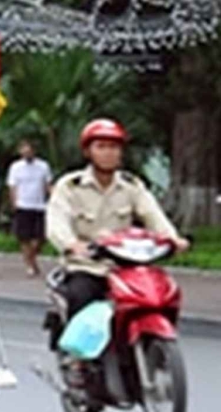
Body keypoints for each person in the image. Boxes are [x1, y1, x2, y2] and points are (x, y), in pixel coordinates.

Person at [46, 119, 188, 327]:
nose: (108, 153)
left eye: (113, 147)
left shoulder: (132, 186)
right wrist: (72, 245)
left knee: (164, 295)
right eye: (101, 147)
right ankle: (77, 358)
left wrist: (173, 240)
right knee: (80, 297)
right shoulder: (70, 186)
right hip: (89, 267)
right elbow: (56, 222)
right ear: (88, 151)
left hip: (127, 267)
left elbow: (153, 215)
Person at [6, 140, 53, 277]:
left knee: (40, 238)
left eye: (29, 150)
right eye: (24, 150)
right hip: (23, 205)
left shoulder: (43, 166)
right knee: (24, 238)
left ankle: (32, 258)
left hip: (39, 205)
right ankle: (30, 265)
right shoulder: (15, 167)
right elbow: (12, 186)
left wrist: (53, 198)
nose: (27, 153)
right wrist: (14, 203)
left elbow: (47, 184)